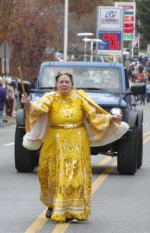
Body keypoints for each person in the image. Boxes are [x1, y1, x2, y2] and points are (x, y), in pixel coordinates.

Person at [21, 72, 121, 222]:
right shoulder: (50, 97)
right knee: (48, 173)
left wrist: (109, 118)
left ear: (72, 84)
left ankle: (73, 211)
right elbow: (37, 109)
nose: (64, 84)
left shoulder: (80, 97)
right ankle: (52, 205)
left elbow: (93, 115)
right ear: (56, 84)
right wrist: (28, 103)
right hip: (53, 141)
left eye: (67, 82)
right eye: (61, 82)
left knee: (71, 175)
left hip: (76, 141)